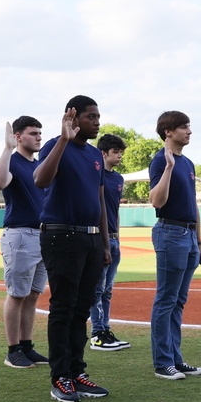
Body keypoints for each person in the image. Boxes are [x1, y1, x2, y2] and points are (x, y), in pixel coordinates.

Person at [34, 96, 111, 402]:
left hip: (91, 239)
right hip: (61, 236)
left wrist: (105, 243)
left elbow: (100, 201)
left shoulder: (94, 155)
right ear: (73, 117)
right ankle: (60, 377)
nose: (97, 121)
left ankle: (77, 371)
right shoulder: (55, 145)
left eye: (98, 116)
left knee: (82, 309)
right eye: (91, 116)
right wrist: (63, 141)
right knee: (63, 307)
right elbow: (40, 180)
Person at [148, 110, 201, 380]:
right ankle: (163, 363)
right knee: (166, 299)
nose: (189, 131)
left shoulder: (189, 163)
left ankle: (175, 359)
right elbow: (157, 201)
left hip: (187, 236)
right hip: (169, 231)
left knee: (179, 301)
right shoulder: (161, 161)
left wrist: (199, 240)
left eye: (189, 127)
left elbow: (192, 204)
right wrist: (169, 168)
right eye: (183, 127)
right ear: (168, 132)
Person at [0, 116, 50, 369]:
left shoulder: (37, 166)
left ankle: (26, 346)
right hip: (20, 234)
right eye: (32, 133)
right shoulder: (12, 161)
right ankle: (13, 350)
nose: (38, 137)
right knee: (16, 294)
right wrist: (7, 148)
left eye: (40, 133)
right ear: (18, 136)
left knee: (33, 295)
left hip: (41, 236)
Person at [88, 133, 132, 352]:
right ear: (103, 153)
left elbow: (114, 212)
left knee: (108, 289)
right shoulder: (94, 175)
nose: (120, 155)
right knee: (97, 288)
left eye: (121, 152)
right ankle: (97, 334)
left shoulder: (118, 179)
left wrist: (117, 237)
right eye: (116, 152)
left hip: (114, 239)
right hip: (98, 238)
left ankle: (105, 329)